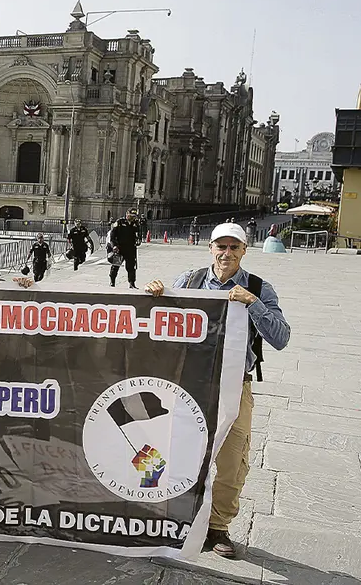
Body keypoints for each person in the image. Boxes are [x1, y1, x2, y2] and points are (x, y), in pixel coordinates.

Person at [144, 223, 290, 558]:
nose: (226, 254)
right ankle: (173, 518)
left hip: (235, 385)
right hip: (190, 383)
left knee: (232, 460)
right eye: (220, 247)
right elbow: (158, 320)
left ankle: (218, 526)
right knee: (178, 452)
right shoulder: (190, 281)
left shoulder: (258, 288)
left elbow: (281, 338)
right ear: (210, 248)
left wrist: (253, 304)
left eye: (234, 248)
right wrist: (153, 294)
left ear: (244, 250)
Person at [109, 208, 142, 288]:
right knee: (116, 265)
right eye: (131, 216)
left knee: (131, 267)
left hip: (130, 248)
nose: (132, 218)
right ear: (127, 214)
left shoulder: (135, 224)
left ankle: (132, 283)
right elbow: (112, 235)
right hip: (119, 248)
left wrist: (139, 240)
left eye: (134, 216)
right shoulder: (119, 222)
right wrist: (114, 246)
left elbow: (139, 234)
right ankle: (112, 281)